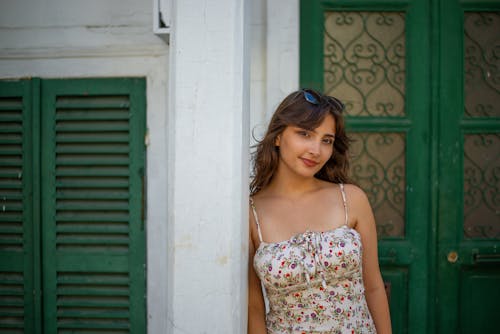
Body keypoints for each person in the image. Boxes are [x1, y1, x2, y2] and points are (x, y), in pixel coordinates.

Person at [248, 89, 392, 333]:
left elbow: (374, 286)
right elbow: (253, 307)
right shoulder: (251, 214)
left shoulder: (351, 199)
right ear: (278, 137)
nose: (316, 149)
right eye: (305, 134)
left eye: (326, 140)